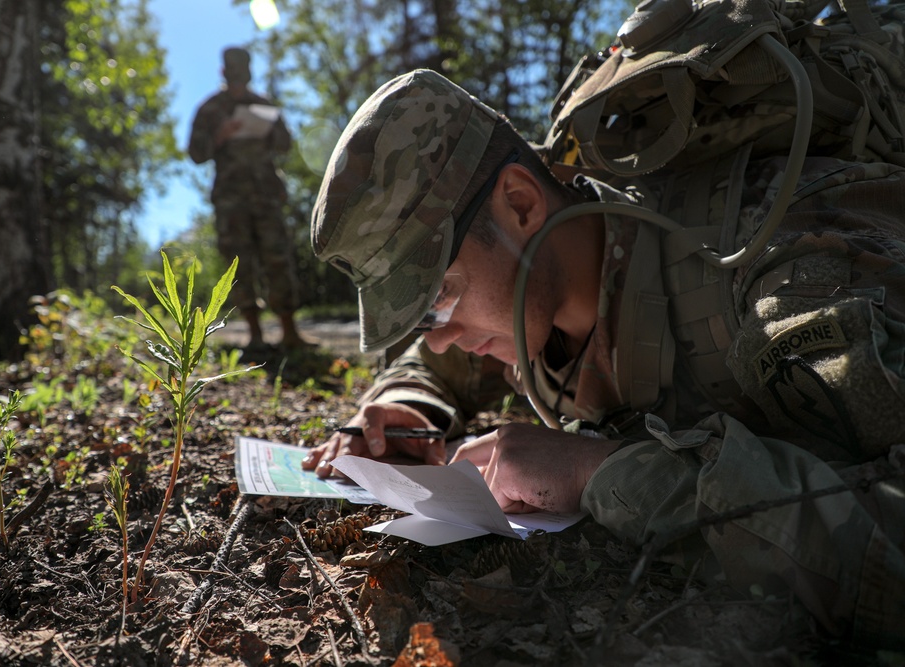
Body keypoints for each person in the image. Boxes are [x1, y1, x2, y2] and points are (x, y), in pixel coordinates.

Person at [304, 69, 905, 646]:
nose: (436, 336)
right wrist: (407, 404)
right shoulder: (530, 292)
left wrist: (596, 470)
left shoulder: (776, 257)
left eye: (436, 297)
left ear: (519, 204)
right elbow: (435, 365)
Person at [187, 46, 309, 349]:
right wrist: (220, 135)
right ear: (223, 73)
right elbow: (195, 153)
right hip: (231, 200)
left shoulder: (262, 104)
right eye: (234, 76)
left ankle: (290, 332)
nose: (240, 83)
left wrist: (267, 131)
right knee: (238, 266)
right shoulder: (209, 109)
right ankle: (254, 335)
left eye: (244, 77)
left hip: (266, 195)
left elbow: (285, 144)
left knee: (277, 258)